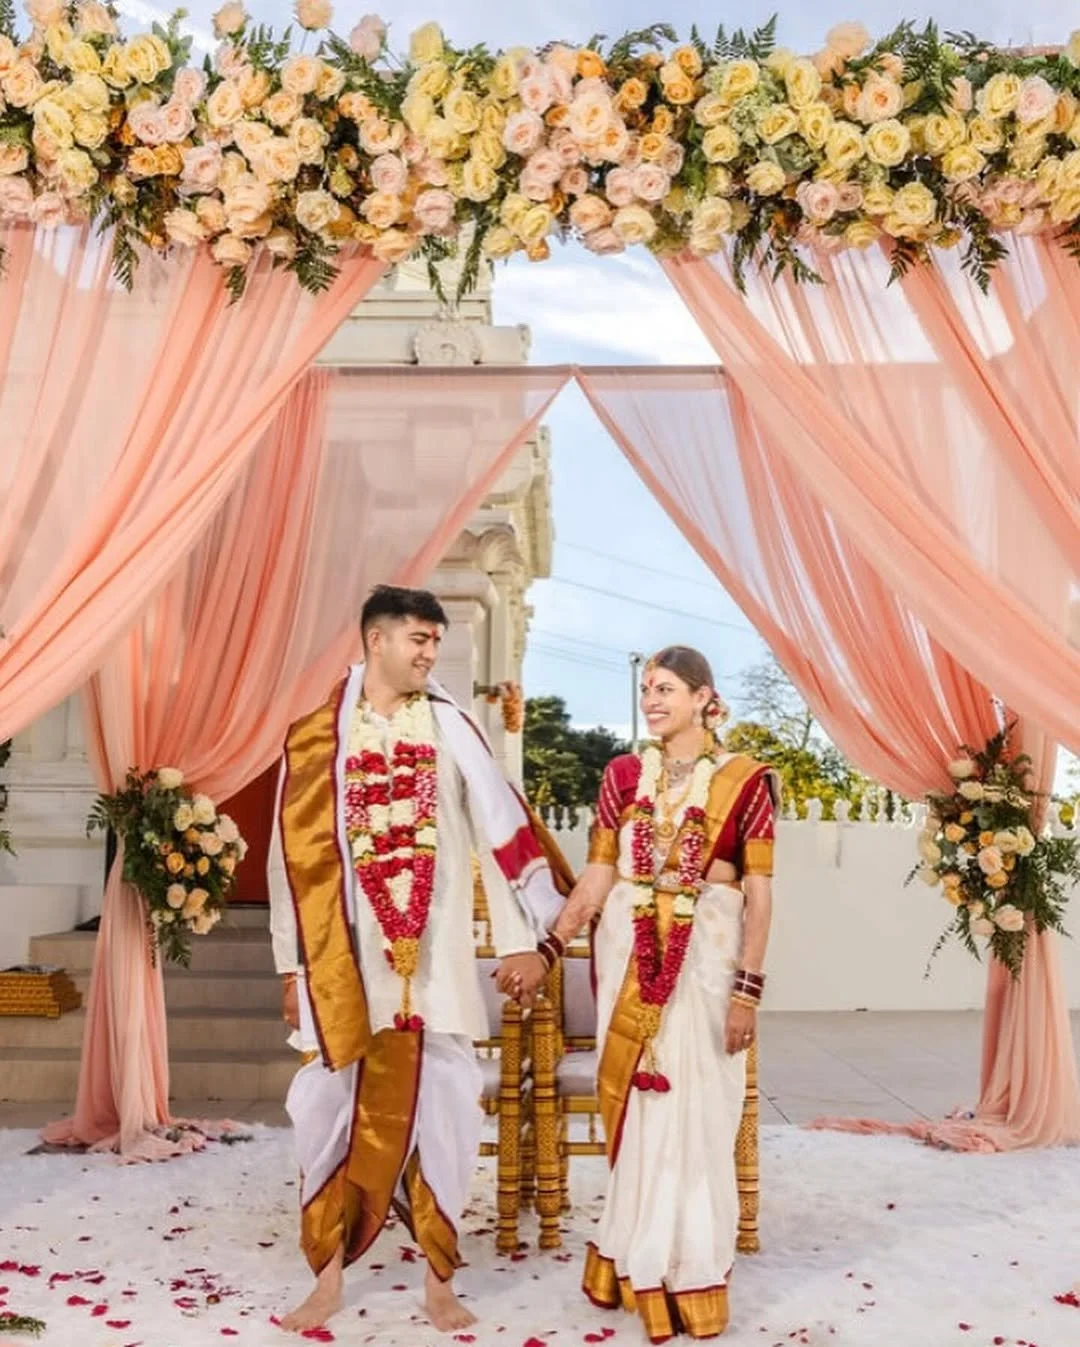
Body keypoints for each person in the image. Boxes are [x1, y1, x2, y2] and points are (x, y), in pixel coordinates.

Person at [268, 586, 568, 1334]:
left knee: (446, 1113)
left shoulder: (453, 730)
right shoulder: (315, 740)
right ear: (375, 640)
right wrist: (290, 964)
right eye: (417, 639)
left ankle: (438, 1279)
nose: (431, 653)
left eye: (435, 640)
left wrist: (521, 938)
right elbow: (289, 863)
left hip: (431, 962)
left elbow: (500, 835)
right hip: (343, 960)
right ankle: (328, 1277)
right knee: (325, 1112)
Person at [549, 645, 778, 1342]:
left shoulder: (746, 781)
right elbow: (599, 876)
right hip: (633, 976)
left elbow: (758, 896)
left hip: (705, 981)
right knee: (646, 1121)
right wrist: (551, 941)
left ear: (706, 698)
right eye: (647, 688)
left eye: (667, 688)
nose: (651, 699)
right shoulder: (621, 776)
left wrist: (746, 991)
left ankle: (690, 1267)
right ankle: (635, 1257)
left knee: (697, 1115)